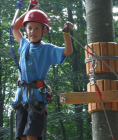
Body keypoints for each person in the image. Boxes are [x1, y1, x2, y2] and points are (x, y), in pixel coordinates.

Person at [12, 7, 73, 140]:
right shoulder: (24, 44)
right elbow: (14, 28)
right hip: (21, 98)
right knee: (21, 137)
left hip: (37, 99)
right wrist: (30, 10)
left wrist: (66, 33)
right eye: (29, 28)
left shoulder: (47, 49)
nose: (32, 31)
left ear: (44, 30)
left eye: (37, 28)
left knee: (31, 136)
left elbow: (67, 51)